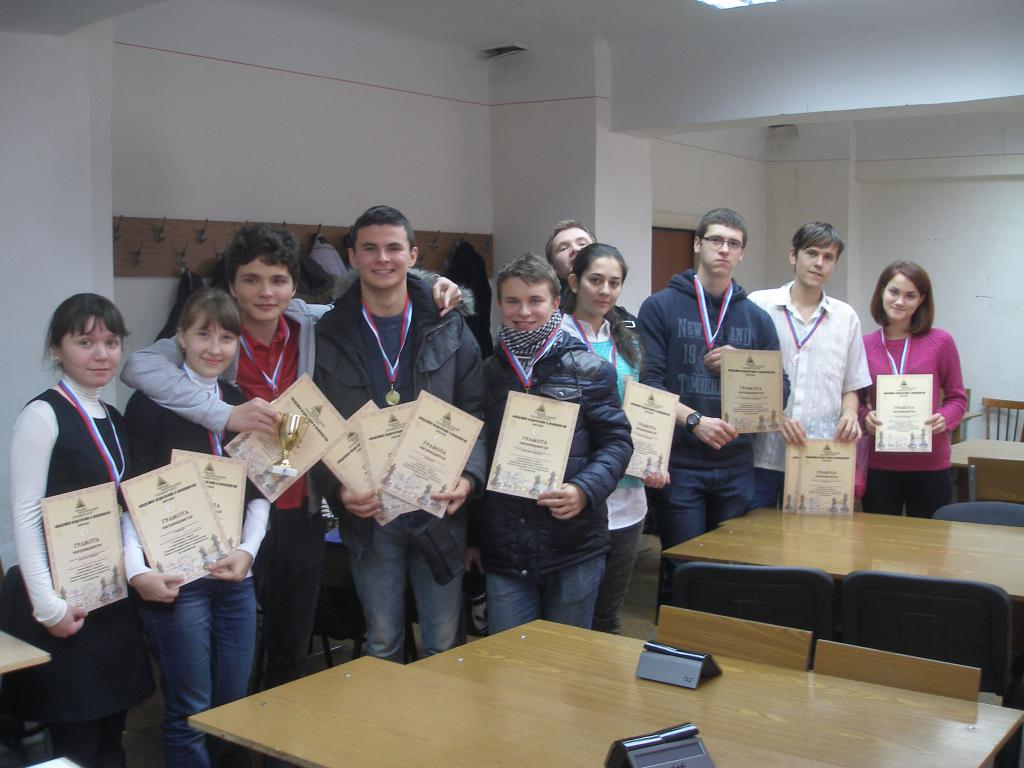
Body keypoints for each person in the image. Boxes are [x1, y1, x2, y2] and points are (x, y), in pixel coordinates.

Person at [120, 223, 463, 688]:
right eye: (251, 280)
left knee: (290, 649)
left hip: (299, 506)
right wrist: (224, 414)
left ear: (293, 286)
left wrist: (433, 284)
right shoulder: (215, 334)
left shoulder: (312, 324)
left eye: (278, 280)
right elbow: (137, 366)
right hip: (232, 512)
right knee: (229, 653)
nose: (266, 292)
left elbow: (379, 289)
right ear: (232, 284)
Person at [312, 205, 487, 663]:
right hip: (370, 515)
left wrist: (469, 479)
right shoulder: (328, 332)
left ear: (413, 255)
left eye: (393, 248)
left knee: (442, 644)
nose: (382, 258)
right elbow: (318, 426)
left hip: (438, 508)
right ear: (352, 257)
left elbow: (475, 410)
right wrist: (337, 490)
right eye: (370, 248)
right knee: (381, 642)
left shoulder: (450, 324)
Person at [4, 294, 153, 767]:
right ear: (57, 349)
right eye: (85, 342)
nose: (102, 354)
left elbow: (125, 511)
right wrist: (48, 607)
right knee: (76, 746)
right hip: (61, 602)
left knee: (112, 740)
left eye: (111, 342)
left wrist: (137, 572)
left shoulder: (115, 418)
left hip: (109, 598)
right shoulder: (42, 415)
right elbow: (25, 518)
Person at [123, 289, 270, 767]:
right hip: (176, 581)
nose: (214, 347)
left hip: (234, 580)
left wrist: (248, 552)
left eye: (226, 337)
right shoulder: (149, 405)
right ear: (180, 338)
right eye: (203, 334)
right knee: (190, 709)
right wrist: (136, 570)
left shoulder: (241, 403)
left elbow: (260, 491)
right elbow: (131, 497)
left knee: (233, 707)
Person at [476, 253, 632, 632]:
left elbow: (617, 443)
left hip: (573, 542)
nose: (523, 312)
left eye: (535, 300)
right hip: (505, 546)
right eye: (512, 301)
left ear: (556, 302)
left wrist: (584, 489)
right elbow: (474, 452)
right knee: (510, 656)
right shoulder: (486, 374)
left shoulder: (591, 370)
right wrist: (471, 538)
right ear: (499, 304)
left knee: (567, 657)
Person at [636, 208, 787, 597]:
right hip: (681, 465)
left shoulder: (757, 319)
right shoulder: (659, 307)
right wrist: (694, 421)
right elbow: (648, 386)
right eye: (716, 240)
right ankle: (676, 637)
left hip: (737, 466)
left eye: (733, 243)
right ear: (697, 243)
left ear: (742, 253)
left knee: (727, 571)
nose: (724, 249)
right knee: (682, 571)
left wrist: (743, 365)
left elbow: (780, 391)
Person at [559, 243, 669, 634]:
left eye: (614, 282)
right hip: (576, 492)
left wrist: (655, 459)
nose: (605, 290)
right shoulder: (554, 338)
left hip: (628, 494)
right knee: (571, 615)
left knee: (608, 613)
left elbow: (643, 410)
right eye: (595, 280)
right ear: (574, 282)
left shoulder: (629, 342)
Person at [746, 222, 870, 509]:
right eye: (812, 253)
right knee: (754, 533)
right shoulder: (758, 305)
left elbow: (851, 385)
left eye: (828, 257)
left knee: (813, 536)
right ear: (793, 255)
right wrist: (775, 416)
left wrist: (850, 413)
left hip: (819, 455)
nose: (819, 263)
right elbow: (743, 380)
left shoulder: (846, 318)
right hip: (762, 455)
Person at [859, 261, 966, 518]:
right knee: (880, 540)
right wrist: (865, 417)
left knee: (929, 541)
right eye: (894, 292)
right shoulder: (864, 345)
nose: (900, 301)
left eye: (910, 295)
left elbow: (957, 398)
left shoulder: (940, 341)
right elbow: (856, 401)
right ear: (882, 292)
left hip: (931, 465)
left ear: (921, 300)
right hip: (880, 466)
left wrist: (945, 418)